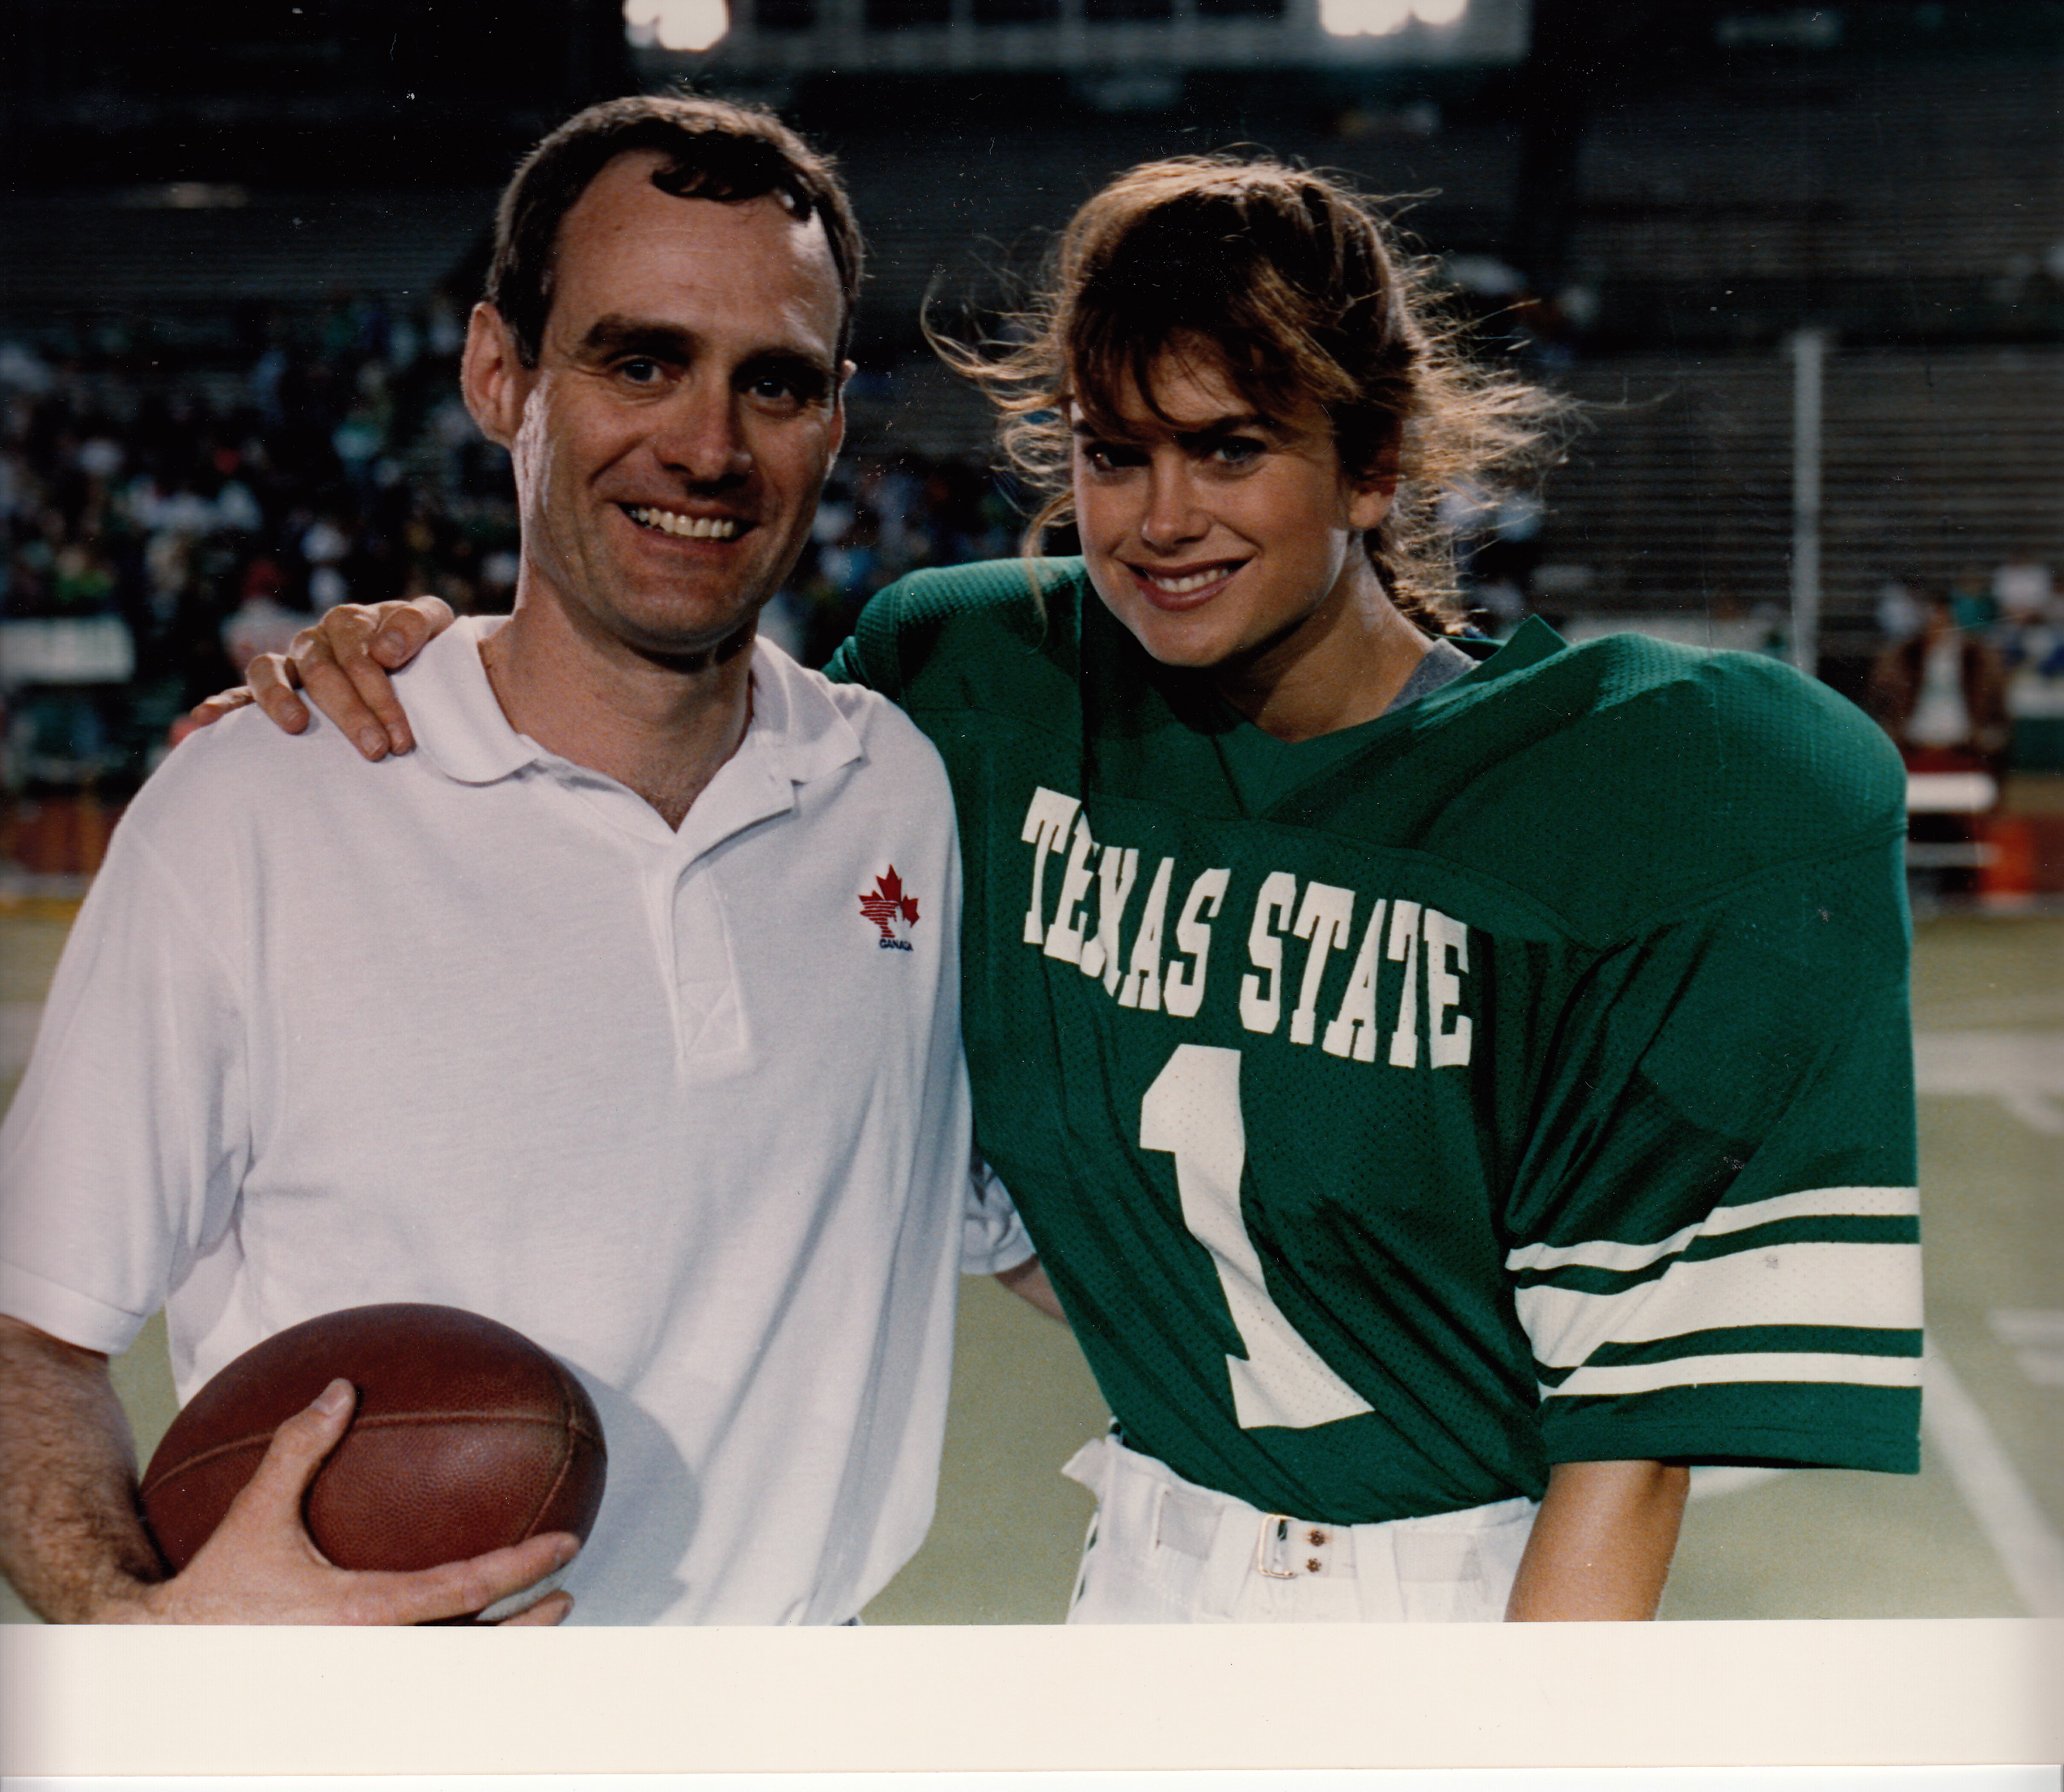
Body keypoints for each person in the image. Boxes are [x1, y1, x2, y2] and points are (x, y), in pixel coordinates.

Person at [225, 156, 1924, 1623]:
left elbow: (1622, 1463)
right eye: (1114, 454)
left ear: (1372, 457)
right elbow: (664, 718)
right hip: (1140, 1569)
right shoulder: (981, 691)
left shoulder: (1640, 786)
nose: (1158, 518)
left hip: (1455, 1596)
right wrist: (445, 653)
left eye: (1229, 446)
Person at [0, 95, 1035, 1627]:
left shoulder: (900, 788)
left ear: (834, 417)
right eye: (639, 358)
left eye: (774, 381)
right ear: (502, 372)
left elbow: (1058, 1232)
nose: (706, 443)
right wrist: (132, 1628)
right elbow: (28, 1333)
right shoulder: (263, 804)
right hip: (380, 1752)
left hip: (798, 1725)